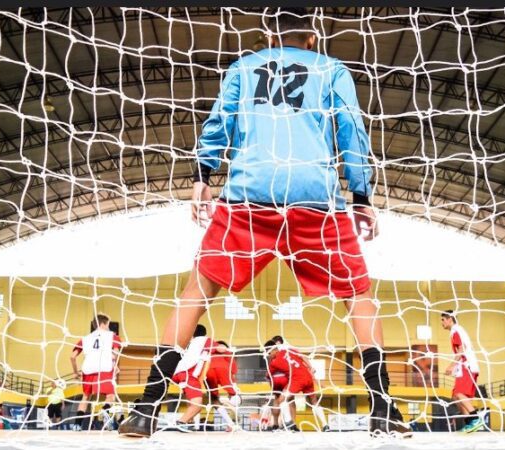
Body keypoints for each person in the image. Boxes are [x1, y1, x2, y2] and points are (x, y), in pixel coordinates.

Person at [118, 7, 408, 438]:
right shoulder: (332, 69)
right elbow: (352, 132)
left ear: (271, 34)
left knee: (197, 289)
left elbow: (221, 123)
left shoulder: (245, 66)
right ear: (312, 37)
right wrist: (362, 195)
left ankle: (145, 408)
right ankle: (384, 409)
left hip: (251, 190)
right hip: (314, 195)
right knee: (358, 294)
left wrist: (202, 176)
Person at [70, 314, 122, 431]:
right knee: (110, 396)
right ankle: (105, 410)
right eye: (108, 324)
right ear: (104, 324)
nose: (109, 326)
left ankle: (77, 425)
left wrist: (75, 372)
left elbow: (72, 357)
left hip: (88, 369)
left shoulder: (85, 338)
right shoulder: (112, 336)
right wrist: (115, 367)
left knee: (86, 397)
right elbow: (115, 354)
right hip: (104, 367)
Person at [264, 338, 328, 432]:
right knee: (314, 401)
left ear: (273, 350)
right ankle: (325, 425)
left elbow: (268, 374)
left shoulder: (274, 363)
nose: (269, 356)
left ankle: (289, 423)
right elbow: (302, 356)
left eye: (269, 353)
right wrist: (311, 367)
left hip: (297, 379)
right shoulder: (288, 350)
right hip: (308, 376)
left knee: (281, 400)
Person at [440, 311, 484, 433]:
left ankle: (475, 419)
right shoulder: (456, 331)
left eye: (443, 320)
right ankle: (469, 422)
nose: (441, 323)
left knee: (459, 393)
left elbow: (462, 349)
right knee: (456, 396)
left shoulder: (456, 330)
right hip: (465, 366)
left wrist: (451, 365)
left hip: (467, 365)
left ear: (450, 319)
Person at [203, 340, 241, 431]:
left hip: (208, 370)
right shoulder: (228, 353)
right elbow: (234, 370)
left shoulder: (208, 350)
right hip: (224, 370)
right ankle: (228, 403)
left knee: (214, 399)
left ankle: (230, 424)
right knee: (235, 395)